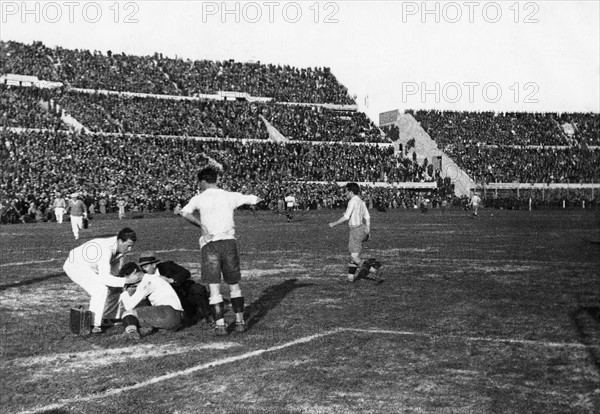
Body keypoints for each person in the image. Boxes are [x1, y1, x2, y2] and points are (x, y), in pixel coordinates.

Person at [179, 165, 262, 335]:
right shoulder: (230, 196)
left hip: (210, 244)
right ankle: (240, 322)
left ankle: (221, 325)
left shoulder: (198, 198)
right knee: (234, 284)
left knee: (214, 286)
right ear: (216, 180)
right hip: (229, 243)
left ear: (203, 181)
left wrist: (201, 225)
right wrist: (257, 201)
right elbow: (254, 199)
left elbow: (185, 212)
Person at [63, 227, 138, 333]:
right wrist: (127, 281)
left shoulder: (120, 247)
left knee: (116, 287)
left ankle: (110, 318)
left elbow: (115, 274)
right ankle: (93, 325)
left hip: (88, 265)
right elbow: (105, 279)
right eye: (128, 246)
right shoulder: (105, 249)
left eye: (132, 246)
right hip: (75, 265)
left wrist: (122, 282)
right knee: (100, 289)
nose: (130, 249)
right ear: (120, 241)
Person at [138, 251, 211, 327]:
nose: (144, 270)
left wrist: (171, 280)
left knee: (198, 289)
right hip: (171, 304)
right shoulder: (145, 278)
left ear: (154, 264)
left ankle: (208, 315)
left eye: (146, 266)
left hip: (184, 293)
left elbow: (186, 273)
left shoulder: (168, 266)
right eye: (142, 267)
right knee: (187, 321)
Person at [118, 262, 184, 340]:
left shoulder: (146, 282)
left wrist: (123, 292)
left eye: (128, 277)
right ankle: (148, 329)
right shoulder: (153, 278)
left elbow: (129, 306)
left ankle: (132, 333)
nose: (127, 281)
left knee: (128, 313)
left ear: (135, 272)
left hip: (168, 313)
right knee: (141, 313)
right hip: (178, 317)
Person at [328, 182, 373, 283]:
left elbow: (346, 217)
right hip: (362, 229)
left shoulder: (352, 201)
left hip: (355, 230)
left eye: (346, 191)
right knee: (354, 255)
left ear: (351, 192)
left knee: (354, 257)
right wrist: (368, 231)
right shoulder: (361, 202)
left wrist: (334, 224)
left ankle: (373, 271)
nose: (345, 193)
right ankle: (350, 278)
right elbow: (367, 217)